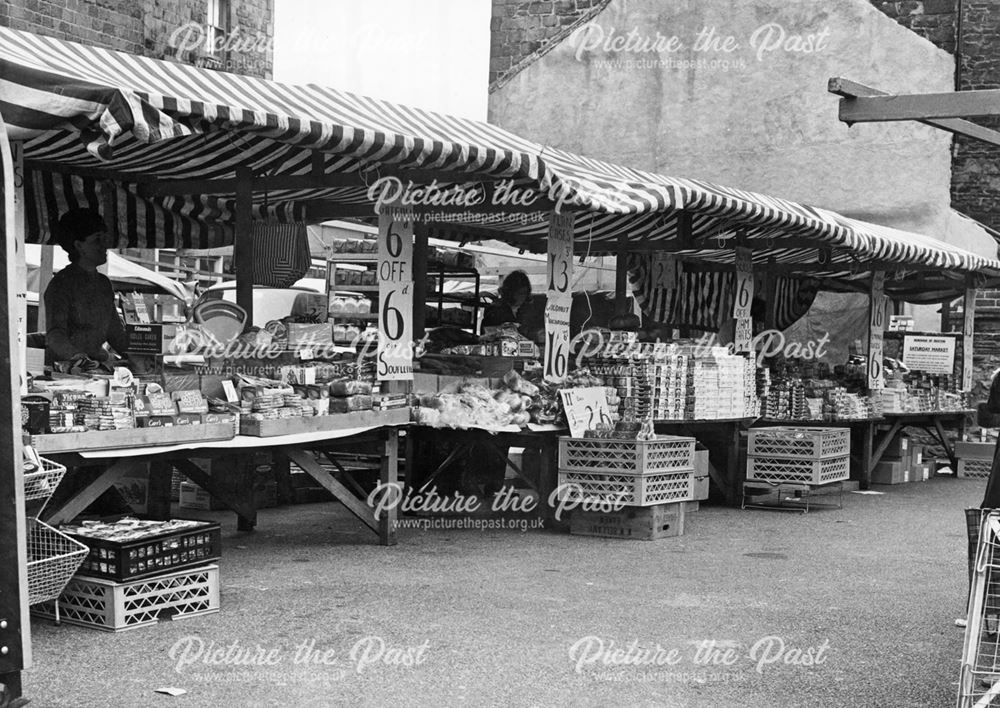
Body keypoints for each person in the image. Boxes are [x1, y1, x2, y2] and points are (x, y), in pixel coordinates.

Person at [44, 208, 128, 366]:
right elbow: (55, 335)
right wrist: (77, 357)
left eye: (104, 239)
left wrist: (143, 352)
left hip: (96, 366)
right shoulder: (61, 284)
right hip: (65, 368)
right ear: (79, 246)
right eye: (97, 240)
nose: (105, 246)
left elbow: (115, 333)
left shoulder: (103, 283)